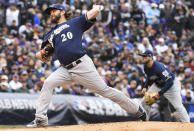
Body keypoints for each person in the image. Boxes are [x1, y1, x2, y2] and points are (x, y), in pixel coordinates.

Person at [27, 4, 147, 127]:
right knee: (48, 83)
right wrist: (41, 53)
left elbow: (92, 14)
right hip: (65, 69)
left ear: (62, 12)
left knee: (105, 91)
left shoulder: (74, 23)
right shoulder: (50, 34)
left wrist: (97, 8)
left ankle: (136, 108)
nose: (51, 13)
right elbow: (43, 56)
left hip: (81, 65)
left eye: (54, 11)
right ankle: (41, 119)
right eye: (50, 12)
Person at [139, 50, 190, 122]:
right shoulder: (146, 67)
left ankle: (188, 125)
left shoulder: (159, 68)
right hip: (158, 85)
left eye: (144, 56)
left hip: (172, 86)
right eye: (142, 56)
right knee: (144, 102)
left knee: (178, 106)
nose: (142, 58)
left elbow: (170, 82)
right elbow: (149, 77)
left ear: (150, 57)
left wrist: (159, 94)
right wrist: (145, 86)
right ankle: (144, 122)